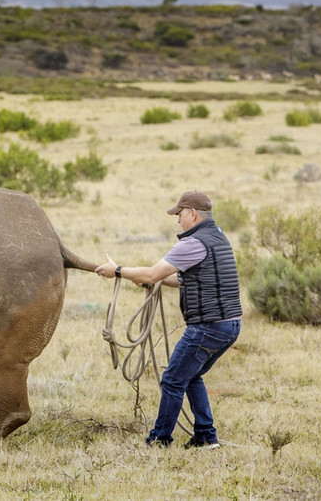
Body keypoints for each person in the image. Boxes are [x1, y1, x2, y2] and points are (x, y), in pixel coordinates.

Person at [95, 191, 241, 449]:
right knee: (191, 375)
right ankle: (206, 436)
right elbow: (184, 279)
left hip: (208, 326)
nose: (177, 220)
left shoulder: (193, 243)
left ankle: (159, 440)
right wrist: (148, 278)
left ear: (192, 214)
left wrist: (117, 271)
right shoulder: (217, 237)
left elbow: (153, 273)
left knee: (173, 378)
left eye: (180, 214)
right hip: (228, 325)